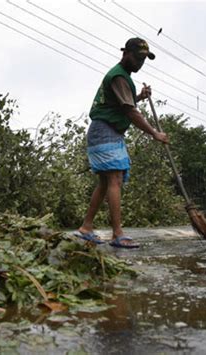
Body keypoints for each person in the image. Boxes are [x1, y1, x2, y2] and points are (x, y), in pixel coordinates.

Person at [74, 38, 169, 248]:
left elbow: (122, 103)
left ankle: (86, 228)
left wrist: (140, 97)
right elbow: (130, 112)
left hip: (108, 132)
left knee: (106, 182)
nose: (139, 63)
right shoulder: (119, 76)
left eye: (143, 60)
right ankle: (117, 234)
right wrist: (155, 133)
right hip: (105, 131)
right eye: (137, 58)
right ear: (125, 53)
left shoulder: (123, 77)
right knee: (114, 179)